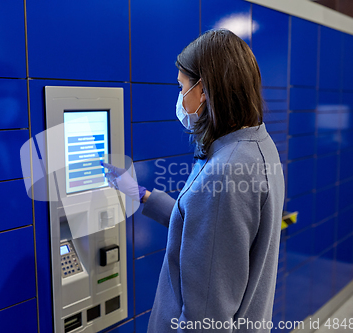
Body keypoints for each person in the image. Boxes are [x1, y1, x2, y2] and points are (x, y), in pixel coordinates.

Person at [104, 28, 285, 332]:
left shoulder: (226, 170)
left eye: (181, 87)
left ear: (203, 91)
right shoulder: (256, 146)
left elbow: (206, 318)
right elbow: (211, 229)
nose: (180, 98)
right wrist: (142, 194)